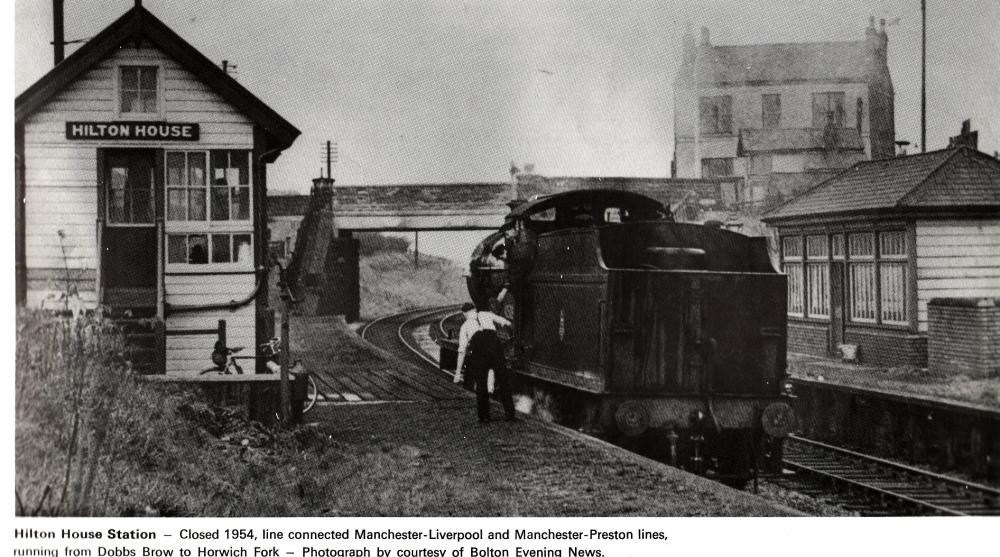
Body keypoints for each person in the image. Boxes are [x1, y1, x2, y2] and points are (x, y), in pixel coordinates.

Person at [453, 301, 516, 423]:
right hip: (495, 347)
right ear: (475, 310)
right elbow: (507, 323)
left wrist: (457, 373)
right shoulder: (486, 314)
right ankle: (510, 413)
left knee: (481, 382)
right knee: (503, 380)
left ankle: (484, 416)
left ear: (465, 314)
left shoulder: (465, 326)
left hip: (480, 351)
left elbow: (461, 351)